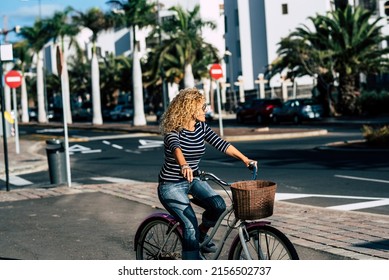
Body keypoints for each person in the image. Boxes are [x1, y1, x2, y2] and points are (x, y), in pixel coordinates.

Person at [157, 88, 257, 260]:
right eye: (203, 107)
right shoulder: (173, 131)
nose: (206, 110)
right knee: (189, 225)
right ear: (190, 109)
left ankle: (201, 235)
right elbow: (176, 148)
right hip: (171, 185)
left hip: (193, 180)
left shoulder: (201, 127)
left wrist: (245, 159)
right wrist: (184, 165)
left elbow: (221, 144)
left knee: (218, 205)